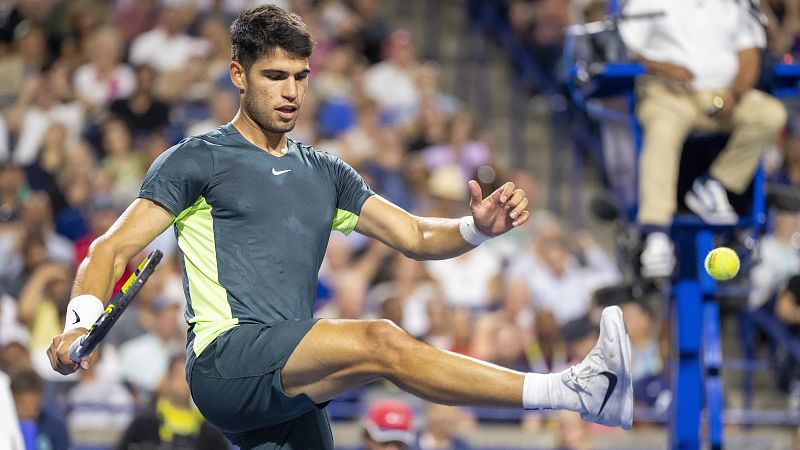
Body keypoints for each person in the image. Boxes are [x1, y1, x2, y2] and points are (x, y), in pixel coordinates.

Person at [47, 5, 633, 449]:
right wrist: (77, 326)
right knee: (381, 341)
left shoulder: (326, 172)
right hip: (226, 361)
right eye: (275, 76)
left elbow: (415, 236)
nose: (291, 92)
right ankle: (572, 390)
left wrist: (475, 228)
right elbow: (110, 249)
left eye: (300, 76)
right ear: (237, 75)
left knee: (377, 352)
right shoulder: (196, 160)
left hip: (288, 379)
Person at [618, 0, 788, 277]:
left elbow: (749, 55)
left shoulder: (738, 3)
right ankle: (656, 233)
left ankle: (716, 184)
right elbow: (624, 49)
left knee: (769, 114)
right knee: (662, 128)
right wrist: (664, 67)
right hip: (668, 94)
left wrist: (734, 94)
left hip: (723, 96)